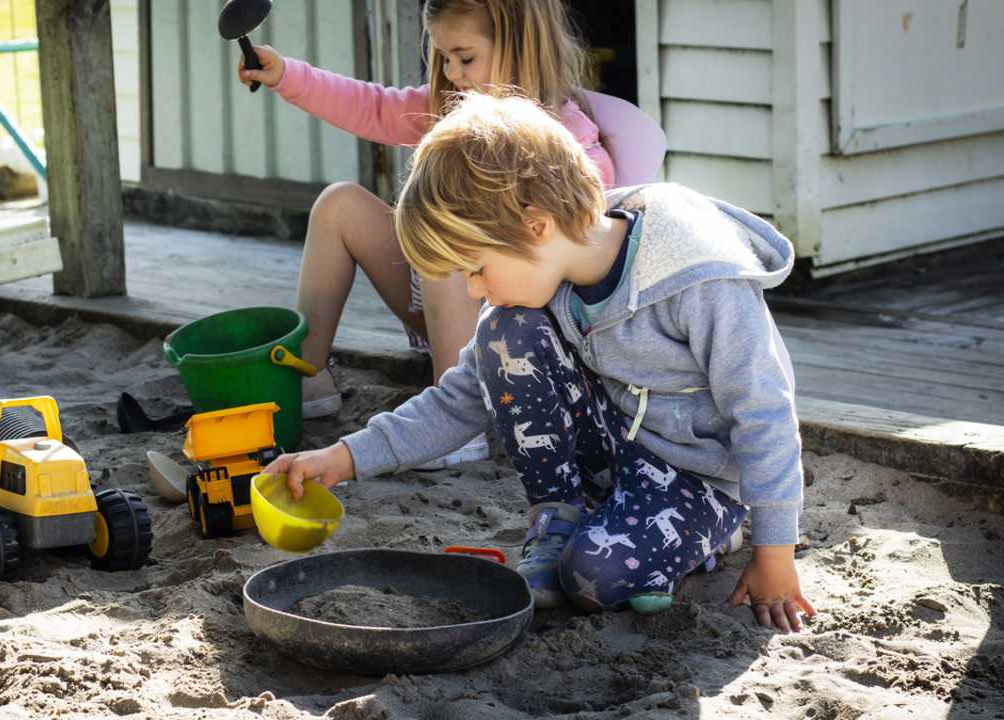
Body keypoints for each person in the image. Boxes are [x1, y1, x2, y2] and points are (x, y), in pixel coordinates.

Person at [263, 93, 816, 633]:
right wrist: (344, 457)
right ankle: (560, 515)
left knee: (591, 578)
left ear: (536, 225)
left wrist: (776, 555)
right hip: (614, 451)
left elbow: (764, 410)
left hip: (696, 478)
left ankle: (717, 532)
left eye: (476, 268)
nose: (475, 290)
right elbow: (462, 397)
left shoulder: (699, 277)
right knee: (505, 334)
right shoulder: (541, 281)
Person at [238, 0, 665, 469]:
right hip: (447, 305)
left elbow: (584, 248)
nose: (452, 72)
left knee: (453, 241)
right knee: (339, 204)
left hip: (531, 328)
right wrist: (288, 76)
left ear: (519, 46)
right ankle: (309, 374)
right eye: (442, 57)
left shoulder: (561, 141)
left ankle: (458, 434)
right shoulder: (449, 110)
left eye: (465, 57)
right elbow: (373, 106)